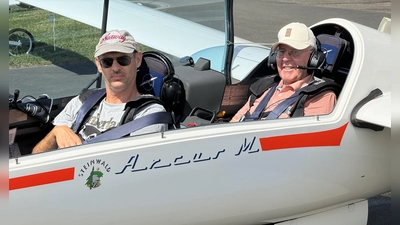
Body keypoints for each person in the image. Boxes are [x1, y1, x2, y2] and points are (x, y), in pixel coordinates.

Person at [32, 30, 168, 153]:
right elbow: (37, 156)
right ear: (98, 64)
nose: (115, 68)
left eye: (123, 60)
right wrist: (57, 131)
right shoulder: (83, 102)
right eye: (107, 62)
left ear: (137, 60)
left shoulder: (149, 114)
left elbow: (133, 171)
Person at [230, 22, 337, 122]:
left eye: (294, 52)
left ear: (313, 58)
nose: (285, 59)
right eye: (281, 52)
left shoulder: (321, 97)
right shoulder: (264, 87)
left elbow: (310, 140)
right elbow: (234, 123)